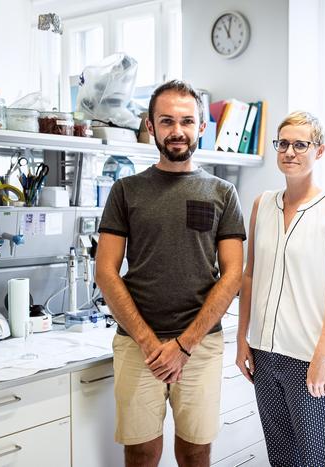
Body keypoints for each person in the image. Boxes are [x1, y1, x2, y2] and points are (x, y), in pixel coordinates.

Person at [96, 79, 246, 467]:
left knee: (195, 453)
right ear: (151, 126)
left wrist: (183, 346)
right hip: (136, 346)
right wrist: (148, 342)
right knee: (141, 453)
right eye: (166, 121)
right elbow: (106, 272)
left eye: (186, 121)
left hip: (199, 346)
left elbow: (232, 275)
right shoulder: (125, 191)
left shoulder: (222, 193)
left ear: (201, 127)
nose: (176, 131)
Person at [235, 111, 325, 466]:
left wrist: (321, 359)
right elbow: (250, 276)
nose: (290, 152)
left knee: (317, 461)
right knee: (282, 459)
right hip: (265, 354)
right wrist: (244, 338)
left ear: (318, 151)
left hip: (313, 358)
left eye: (300, 144)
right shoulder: (263, 204)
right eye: (283, 144)